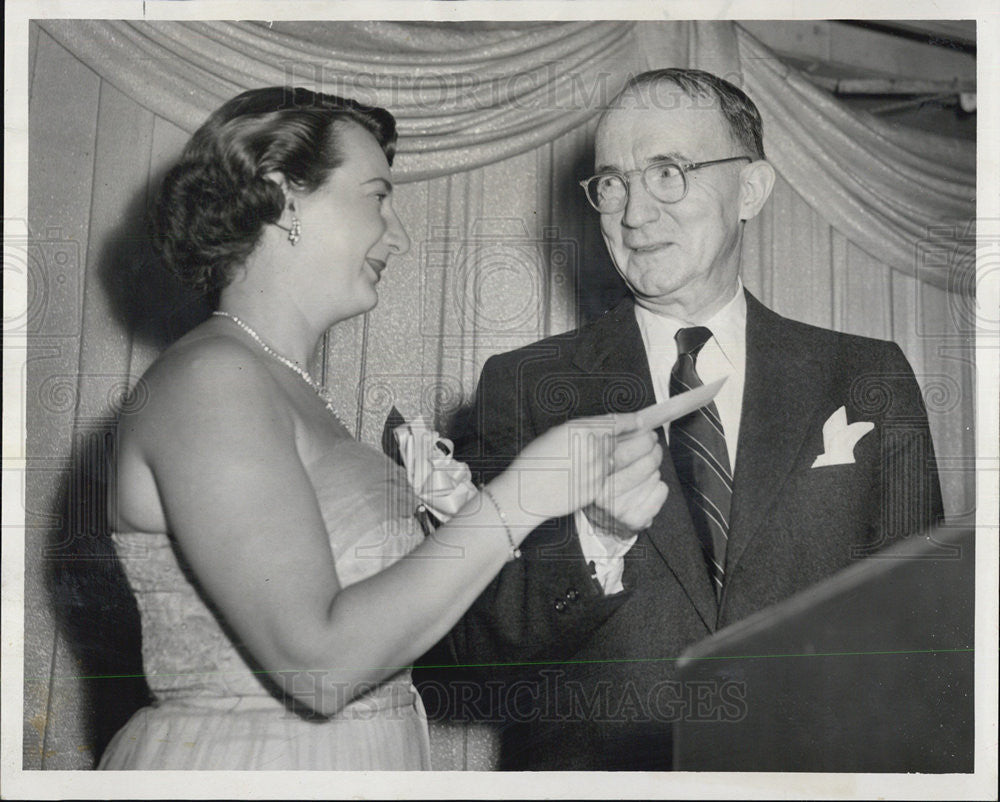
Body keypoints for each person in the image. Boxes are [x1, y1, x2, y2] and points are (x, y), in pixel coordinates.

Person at [97, 86, 667, 770]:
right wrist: (522, 497)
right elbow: (319, 664)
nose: (397, 234)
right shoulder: (212, 380)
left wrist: (590, 520)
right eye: (376, 197)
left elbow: (397, 630)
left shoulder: (281, 383)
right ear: (282, 198)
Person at [416, 68, 945, 770]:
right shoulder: (525, 385)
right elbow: (462, 655)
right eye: (613, 183)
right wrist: (593, 538)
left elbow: (929, 642)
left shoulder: (867, 377)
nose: (634, 215)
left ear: (751, 189)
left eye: (669, 172)